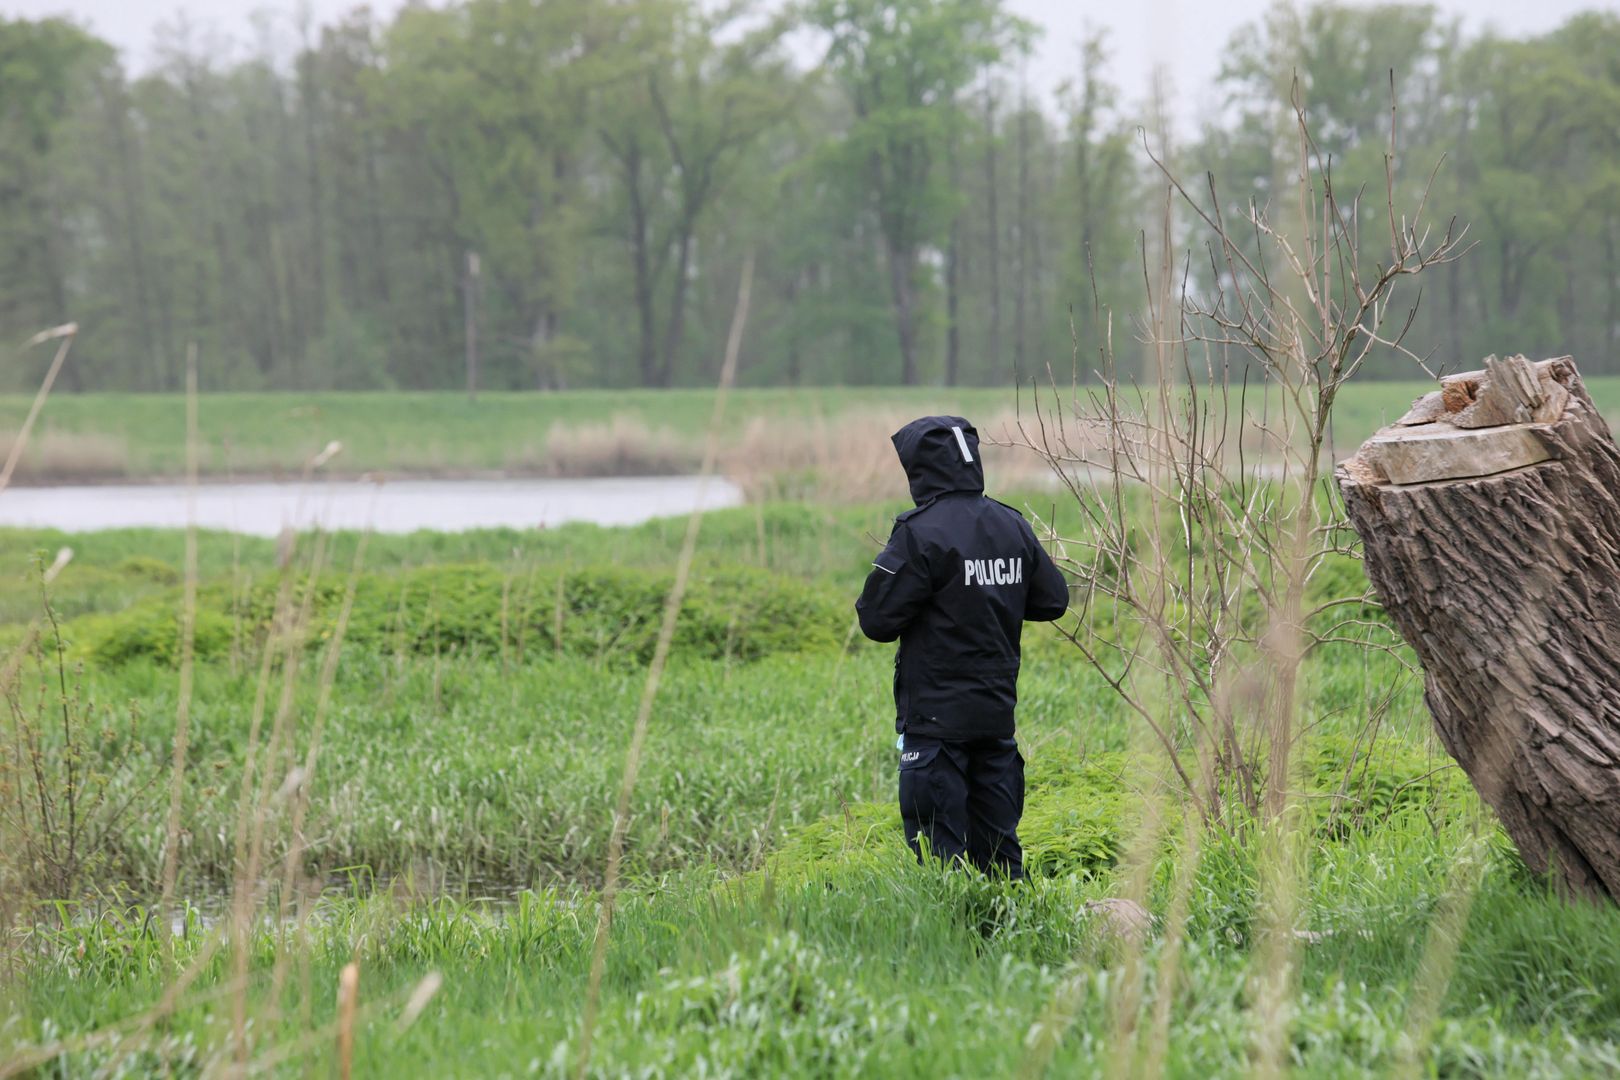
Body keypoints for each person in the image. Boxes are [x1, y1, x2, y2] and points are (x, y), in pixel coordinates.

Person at [856, 415, 1069, 880]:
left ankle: (951, 946)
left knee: (940, 859)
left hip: (935, 725)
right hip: (996, 718)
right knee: (1000, 855)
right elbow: (1053, 601)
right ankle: (1016, 940)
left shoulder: (920, 531)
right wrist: (992, 598)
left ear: (920, 468)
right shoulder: (1011, 523)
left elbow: (875, 620)